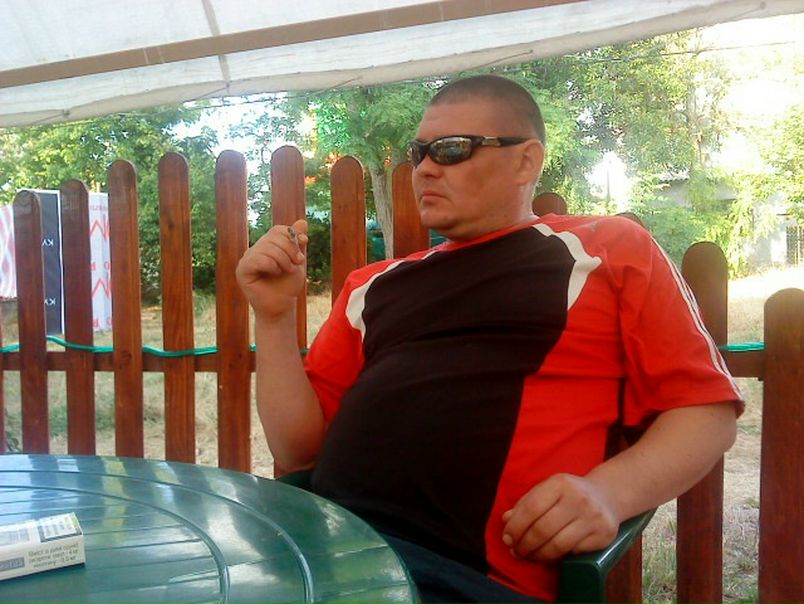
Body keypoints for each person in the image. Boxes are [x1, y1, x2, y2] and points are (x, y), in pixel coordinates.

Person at [236, 75, 741, 604]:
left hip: (461, 580)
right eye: (419, 152)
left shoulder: (606, 249)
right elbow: (298, 450)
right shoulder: (373, 284)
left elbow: (705, 412)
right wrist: (273, 317)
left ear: (525, 161)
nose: (424, 168)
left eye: (452, 149)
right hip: (317, 551)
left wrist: (609, 493)